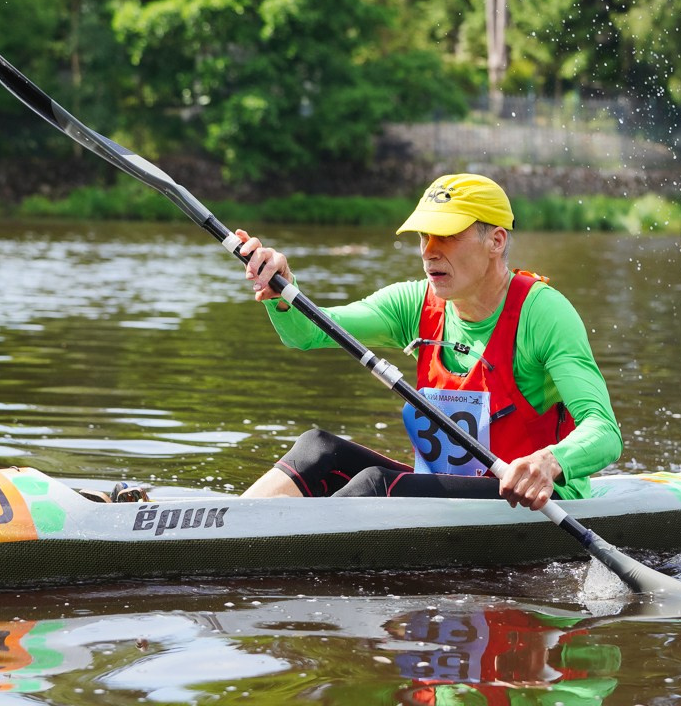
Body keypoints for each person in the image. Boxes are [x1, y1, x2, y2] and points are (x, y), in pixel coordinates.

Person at [239, 173, 621, 510]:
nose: (428, 250)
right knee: (316, 449)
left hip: (533, 500)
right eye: (424, 235)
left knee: (376, 485)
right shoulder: (414, 303)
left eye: (448, 234)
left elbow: (604, 432)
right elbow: (309, 333)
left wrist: (548, 461)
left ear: (496, 241)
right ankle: (230, 527)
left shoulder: (543, 313)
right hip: (447, 496)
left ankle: (282, 546)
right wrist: (282, 291)